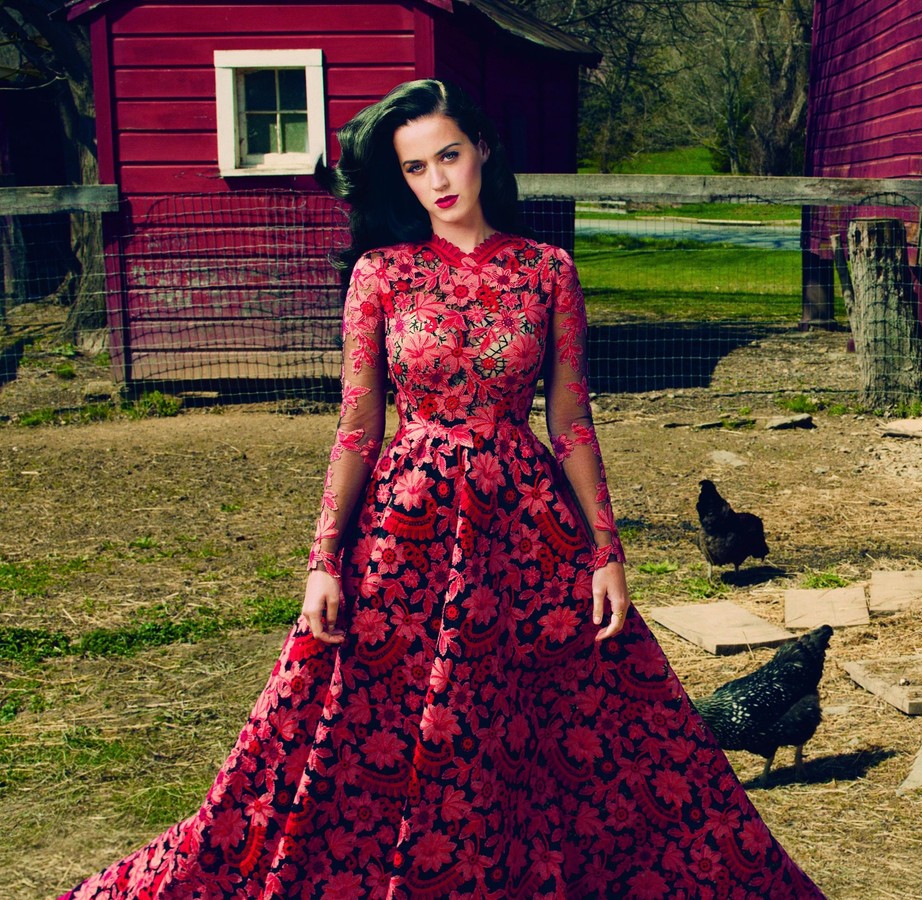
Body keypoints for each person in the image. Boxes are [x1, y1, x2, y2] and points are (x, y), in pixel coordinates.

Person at [58, 78, 827, 899]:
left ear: (483, 151)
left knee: (568, 725)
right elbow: (357, 425)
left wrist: (608, 551)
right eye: (418, 167)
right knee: (360, 718)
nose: (440, 180)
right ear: (404, 180)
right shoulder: (381, 274)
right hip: (405, 527)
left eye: (450, 156)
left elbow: (570, 421)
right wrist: (323, 560)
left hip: (530, 529)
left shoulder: (547, 271)